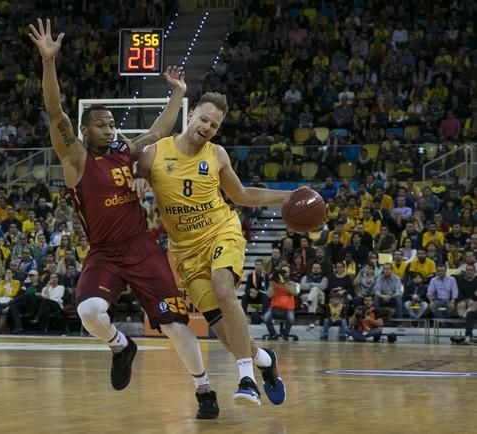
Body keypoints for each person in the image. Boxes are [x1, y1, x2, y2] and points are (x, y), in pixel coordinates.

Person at [30, 18, 218, 418]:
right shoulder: (75, 157)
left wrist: (179, 94)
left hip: (142, 247)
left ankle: (204, 390)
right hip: (105, 252)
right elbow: (53, 111)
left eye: (113, 124)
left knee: (173, 323)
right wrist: (49, 62)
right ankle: (121, 346)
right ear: (84, 130)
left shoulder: (124, 152)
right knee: (88, 312)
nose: (110, 129)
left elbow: (159, 130)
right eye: (102, 124)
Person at [138, 91, 289, 407]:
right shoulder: (153, 155)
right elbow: (133, 171)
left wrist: (286, 197)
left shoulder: (217, 155)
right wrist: (138, 178)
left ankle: (247, 379)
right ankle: (264, 359)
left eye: (215, 125)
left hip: (222, 231)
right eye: (204, 119)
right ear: (191, 113)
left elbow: (242, 195)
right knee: (224, 334)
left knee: (223, 287)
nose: (207, 127)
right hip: (186, 253)